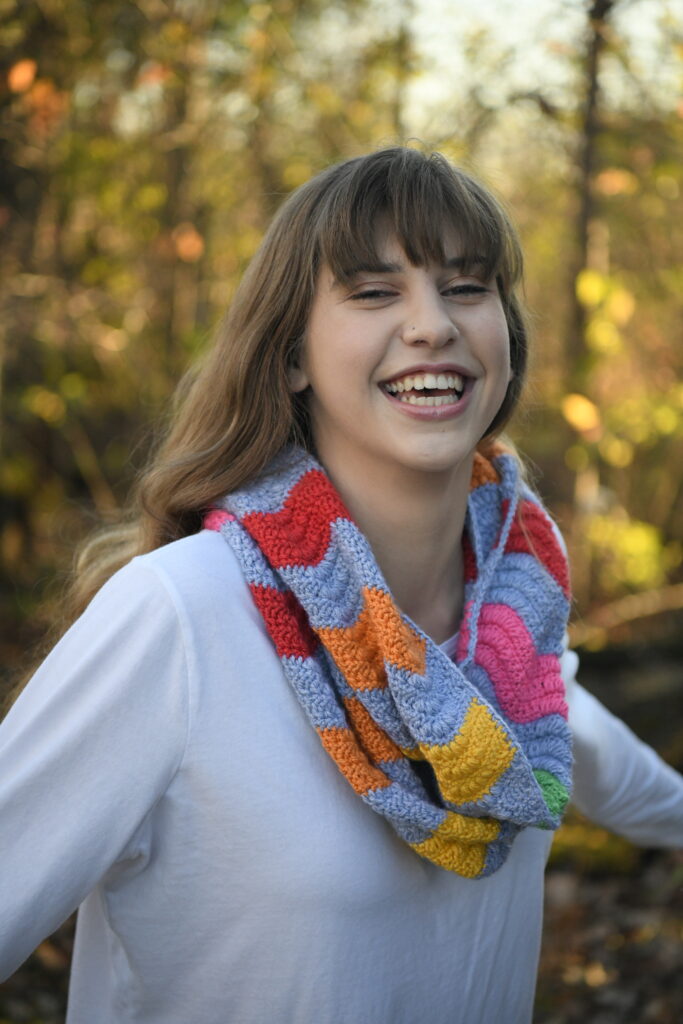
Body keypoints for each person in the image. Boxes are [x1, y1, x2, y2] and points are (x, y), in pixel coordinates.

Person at [1, 147, 681, 1024]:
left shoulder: (511, 622)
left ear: (507, 339)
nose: (432, 325)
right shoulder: (179, 613)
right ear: (290, 357)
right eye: (372, 292)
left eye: (467, 287)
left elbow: (618, 774)